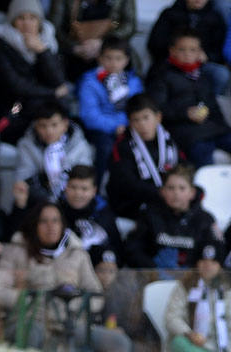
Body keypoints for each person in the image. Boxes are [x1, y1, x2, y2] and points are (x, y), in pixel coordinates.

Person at [0, 201, 131, 352]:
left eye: (55, 221)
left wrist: (74, 303)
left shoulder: (77, 254)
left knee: (119, 343)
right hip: (29, 322)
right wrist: (30, 297)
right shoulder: (16, 252)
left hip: (69, 323)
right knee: (40, 338)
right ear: (34, 226)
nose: (51, 227)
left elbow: (96, 295)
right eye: (44, 222)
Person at [146, 29, 231, 169]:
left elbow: (214, 107)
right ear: (172, 51)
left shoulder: (202, 75)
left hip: (212, 128)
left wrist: (226, 129)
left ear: (200, 53)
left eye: (193, 50)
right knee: (202, 155)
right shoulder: (161, 75)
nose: (187, 54)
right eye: (182, 50)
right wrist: (185, 113)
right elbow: (157, 109)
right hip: (184, 131)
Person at [0, 0, 72, 145]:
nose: (27, 23)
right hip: (15, 105)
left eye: (32, 18)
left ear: (39, 21)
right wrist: (52, 93)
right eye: (21, 18)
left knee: (58, 110)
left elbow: (58, 80)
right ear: (13, 21)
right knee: (17, 113)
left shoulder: (48, 40)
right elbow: (15, 85)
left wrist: (42, 51)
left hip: (42, 102)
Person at [123, 164, 219, 269]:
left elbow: (215, 252)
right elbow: (133, 249)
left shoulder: (205, 219)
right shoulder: (149, 215)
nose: (176, 193)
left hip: (191, 281)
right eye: (170, 188)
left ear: (192, 192)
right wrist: (153, 269)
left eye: (182, 188)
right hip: (153, 280)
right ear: (162, 191)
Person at [76, 35, 143, 179]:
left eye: (118, 58)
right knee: (106, 148)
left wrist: (126, 126)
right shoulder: (90, 82)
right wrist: (116, 126)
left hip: (129, 127)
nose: (113, 63)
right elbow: (90, 116)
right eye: (108, 58)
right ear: (99, 58)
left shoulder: (133, 82)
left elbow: (138, 108)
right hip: (100, 130)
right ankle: (98, 186)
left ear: (126, 60)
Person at [105, 94, 181, 219]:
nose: (142, 124)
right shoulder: (122, 146)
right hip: (131, 203)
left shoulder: (169, 139)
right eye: (136, 120)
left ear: (158, 117)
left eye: (146, 118)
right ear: (130, 123)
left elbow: (182, 166)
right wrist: (162, 193)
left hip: (164, 196)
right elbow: (127, 184)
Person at [12, 98, 93, 205]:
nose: (49, 131)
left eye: (54, 125)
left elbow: (84, 178)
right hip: (39, 202)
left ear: (65, 124)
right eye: (43, 126)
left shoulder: (79, 146)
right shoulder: (26, 146)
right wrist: (44, 182)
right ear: (36, 126)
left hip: (72, 202)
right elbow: (24, 179)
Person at [146, 0, 229, 92]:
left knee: (220, 74)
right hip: (170, 63)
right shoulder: (169, 14)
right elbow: (154, 43)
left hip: (201, 66)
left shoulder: (215, 18)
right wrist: (177, 53)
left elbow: (221, 51)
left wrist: (207, 56)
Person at [49, 0, 137, 82]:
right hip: (73, 55)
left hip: (110, 50)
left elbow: (129, 25)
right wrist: (75, 48)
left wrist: (103, 43)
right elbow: (53, 28)